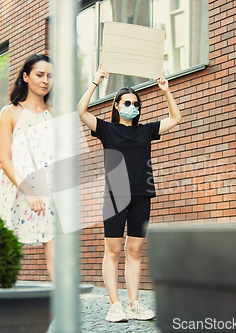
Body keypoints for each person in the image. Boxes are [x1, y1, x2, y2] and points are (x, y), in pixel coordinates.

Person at [77, 63, 182, 322]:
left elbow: (175, 118)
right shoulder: (106, 130)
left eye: (135, 102)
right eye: (126, 102)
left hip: (142, 195)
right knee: (112, 251)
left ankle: (134, 303)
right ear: (116, 105)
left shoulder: (145, 130)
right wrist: (96, 81)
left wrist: (166, 90)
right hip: (115, 196)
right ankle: (115, 305)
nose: (131, 106)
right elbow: (81, 111)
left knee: (134, 251)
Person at [0, 54, 56, 281]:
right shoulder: (10, 112)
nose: (45, 80)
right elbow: (4, 159)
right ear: (26, 77)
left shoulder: (53, 114)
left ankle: (65, 311)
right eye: (40, 74)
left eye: (49, 76)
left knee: (56, 251)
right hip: (15, 187)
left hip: (49, 189)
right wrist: (28, 191)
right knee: (5, 255)